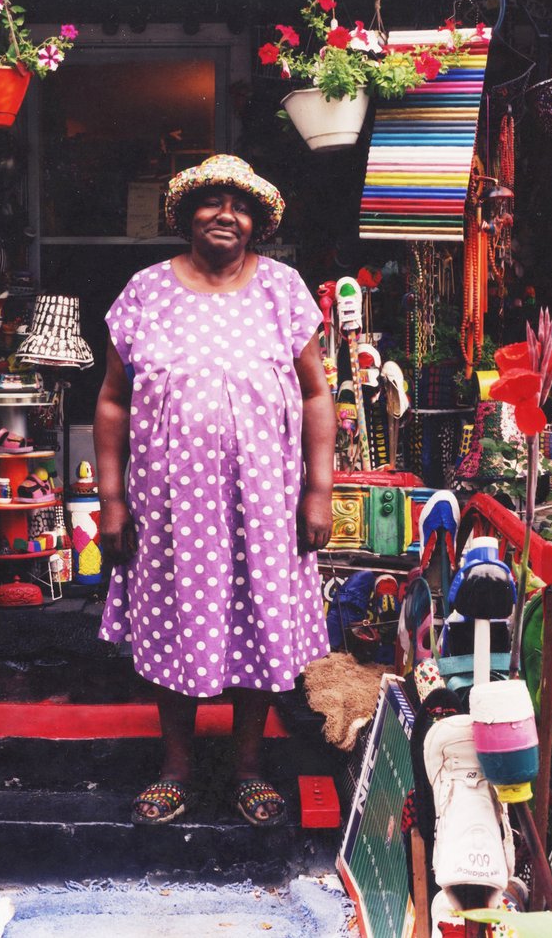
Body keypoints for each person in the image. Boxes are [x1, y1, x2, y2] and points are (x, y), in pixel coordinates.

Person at [94, 155, 334, 827]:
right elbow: (112, 402)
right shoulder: (145, 292)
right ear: (184, 216)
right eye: (211, 201)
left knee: (257, 617)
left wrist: (320, 490)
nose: (226, 213)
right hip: (170, 508)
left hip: (266, 504)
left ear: (257, 223)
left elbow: (317, 394)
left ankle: (248, 767)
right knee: (178, 618)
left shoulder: (283, 290)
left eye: (241, 204)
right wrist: (111, 500)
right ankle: (176, 767)